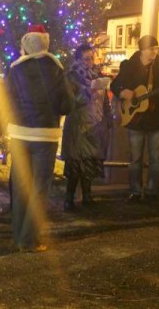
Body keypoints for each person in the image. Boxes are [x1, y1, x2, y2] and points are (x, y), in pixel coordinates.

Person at [7, 25, 74, 253]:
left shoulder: (14, 70)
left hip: (18, 133)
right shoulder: (55, 69)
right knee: (39, 187)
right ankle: (29, 239)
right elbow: (66, 104)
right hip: (45, 135)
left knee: (20, 185)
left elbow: (7, 100)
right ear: (45, 44)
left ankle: (18, 235)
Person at [110, 35, 159, 203]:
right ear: (142, 50)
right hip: (134, 119)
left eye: (156, 48)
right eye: (152, 49)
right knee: (135, 159)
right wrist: (124, 93)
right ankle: (135, 190)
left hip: (154, 118)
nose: (155, 52)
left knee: (155, 159)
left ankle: (153, 191)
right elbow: (115, 85)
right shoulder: (129, 66)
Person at [61, 45, 111, 211]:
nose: (90, 62)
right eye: (86, 59)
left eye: (91, 58)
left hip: (94, 124)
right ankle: (69, 198)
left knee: (89, 160)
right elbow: (70, 100)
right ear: (78, 59)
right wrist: (88, 91)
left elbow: (104, 101)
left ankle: (87, 196)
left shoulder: (96, 75)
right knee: (75, 162)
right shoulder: (72, 76)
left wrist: (107, 117)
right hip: (77, 124)